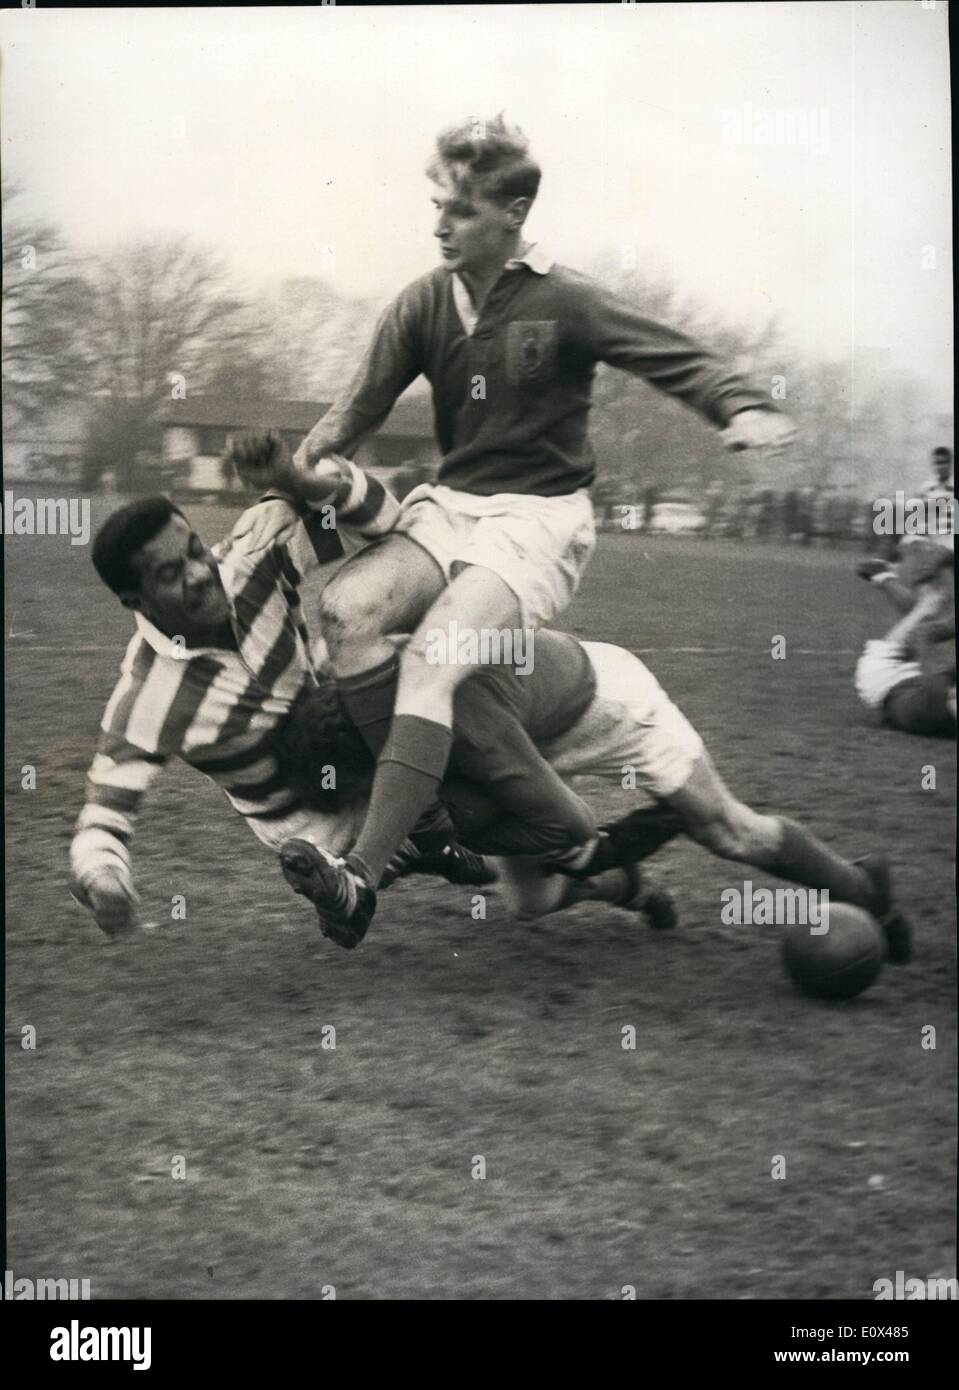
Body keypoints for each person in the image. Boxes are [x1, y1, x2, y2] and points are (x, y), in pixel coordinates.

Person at [237, 114, 796, 939]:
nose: (439, 224)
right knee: (347, 614)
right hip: (452, 505)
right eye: (437, 205)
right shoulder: (423, 303)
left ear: (512, 214)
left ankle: (362, 874)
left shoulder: (562, 299)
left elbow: (662, 350)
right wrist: (291, 475)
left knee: (433, 659)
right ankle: (421, 826)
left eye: (459, 210)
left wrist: (738, 403)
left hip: (537, 520)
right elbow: (353, 412)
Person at [274, 631, 912, 964]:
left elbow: (571, 827)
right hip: (531, 728)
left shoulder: (457, 717)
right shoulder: (369, 697)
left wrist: (434, 843)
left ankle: (863, 890)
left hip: (613, 706)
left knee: (728, 833)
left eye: (361, 788)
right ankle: (631, 887)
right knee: (529, 901)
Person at [68, 474, 501, 939]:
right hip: (307, 823)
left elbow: (380, 520)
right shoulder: (147, 698)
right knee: (458, 800)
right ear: (135, 601)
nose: (198, 572)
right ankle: (390, 853)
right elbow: (102, 818)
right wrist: (103, 878)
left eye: (194, 550)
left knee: (405, 669)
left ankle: (429, 840)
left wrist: (296, 484)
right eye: (170, 575)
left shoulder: (249, 562)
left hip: (353, 745)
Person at [855, 570, 955, 738]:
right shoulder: (941, 704)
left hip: (882, 681)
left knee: (925, 610)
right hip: (908, 694)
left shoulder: (937, 692)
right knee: (928, 611)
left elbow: (924, 634)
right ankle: (890, 577)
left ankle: (884, 576)